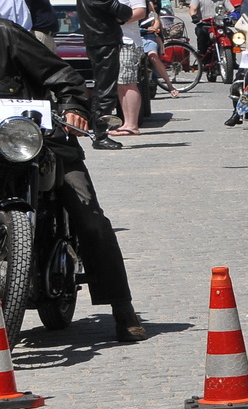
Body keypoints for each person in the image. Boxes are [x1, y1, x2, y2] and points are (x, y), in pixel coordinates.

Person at [0, 17, 143, 337]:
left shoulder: (6, 35)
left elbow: (62, 75)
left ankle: (121, 306)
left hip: (37, 141)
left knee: (89, 217)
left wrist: (70, 106)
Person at [76, 0, 132, 135]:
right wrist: (119, 15)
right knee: (106, 88)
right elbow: (121, 10)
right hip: (104, 42)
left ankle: (99, 129)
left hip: (96, 41)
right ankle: (101, 132)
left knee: (102, 85)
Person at [103, 0, 149, 136]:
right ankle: (126, 122)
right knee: (120, 84)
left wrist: (120, 20)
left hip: (128, 41)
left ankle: (132, 124)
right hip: (113, 40)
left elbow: (141, 11)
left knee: (128, 82)